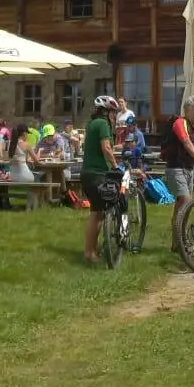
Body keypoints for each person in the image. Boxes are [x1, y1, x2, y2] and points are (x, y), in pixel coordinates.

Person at [82, 95, 122, 263]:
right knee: (98, 214)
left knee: (96, 212)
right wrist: (115, 166)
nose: (114, 116)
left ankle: (93, 248)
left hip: (87, 173)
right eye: (113, 112)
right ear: (106, 112)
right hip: (98, 173)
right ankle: (90, 253)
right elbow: (106, 147)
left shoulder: (91, 124)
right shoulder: (103, 124)